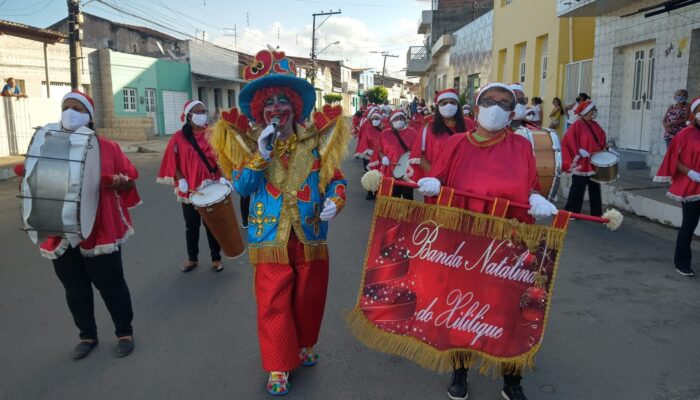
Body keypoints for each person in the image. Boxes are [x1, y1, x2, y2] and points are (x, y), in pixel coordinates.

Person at [213, 48, 349, 395]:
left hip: (310, 234)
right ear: (260, 109)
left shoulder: (315, 143)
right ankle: (277, 365)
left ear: (294, 105)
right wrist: (261, 154)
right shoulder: (250, 146)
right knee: (273, 302)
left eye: (282, 100)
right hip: (269, 239)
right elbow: (242, 187)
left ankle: (303, 345)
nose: (276, 108)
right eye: (269, 102)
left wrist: (335, 200)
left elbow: (336, 180)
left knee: (308, 298)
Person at [416, 83, 558, 400]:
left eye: (505, 103)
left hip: (509, 242)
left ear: (512, 113)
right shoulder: (454, 144)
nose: (496, 107)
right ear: (477, 107)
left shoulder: (522, 147)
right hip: (465, 241)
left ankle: (511, 379)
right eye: (490, 101)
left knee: (508, 309)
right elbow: (437, 177)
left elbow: (530, 184)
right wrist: (432, 182)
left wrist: (536, 198)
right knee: (462, 304)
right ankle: (460, 371)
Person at [15, 90, 139, 359]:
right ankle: (87, 335)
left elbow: (130, 178)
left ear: (90, 117)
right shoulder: (46, 144)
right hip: (60, 229)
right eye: (66, 107)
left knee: (111, 283)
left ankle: (124, 331)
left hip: (100, 227)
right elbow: (34, 182)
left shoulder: (107, 147)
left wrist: (118, 181)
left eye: (78, 108)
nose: (70, 113)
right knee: (74, 286)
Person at [157, 100, 224, 272]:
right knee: (191, 225)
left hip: (211, 186)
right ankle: (192, 258)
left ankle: (216, 258)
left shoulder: (213, 133)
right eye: (198, 112)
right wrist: (181, 180)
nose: (202, 114)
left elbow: (224, 156)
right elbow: (174, 160)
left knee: (212, 225)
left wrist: (224, 177)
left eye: (204, 111)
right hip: (190, 189)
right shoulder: (179, 137)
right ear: (189, 116)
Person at [654, 96, 700, 277]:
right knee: (689, 225)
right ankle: (682, 262)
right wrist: (690, 173)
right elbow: (673, 158)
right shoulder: (685, 133)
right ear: (694, 114)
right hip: (691, 187)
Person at [409, 89, 476, 186]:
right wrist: (437, 177)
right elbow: (419, 157)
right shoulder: (428, 128)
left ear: (457, 106)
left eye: (452, 103)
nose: (448, 106)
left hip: (465, 181)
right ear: (438, 107)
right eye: (444, 103)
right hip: (437, 183)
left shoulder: (469, 125)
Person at [561, 99, 612, 217]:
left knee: (595, 188)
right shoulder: (577, 125)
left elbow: (601, 139)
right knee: (578, 187)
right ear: (588, 111)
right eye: (594, 110)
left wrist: (605, 147)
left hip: (594, 162)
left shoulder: (595, 125)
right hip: (581, 163)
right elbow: (567, 140)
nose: (596, 111)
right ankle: (572, 212)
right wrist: (578, 150)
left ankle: (596, 214)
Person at [368, 109, 418, 199]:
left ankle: (409, 213)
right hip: (390, 171)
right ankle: (395, 213)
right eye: (396, 119)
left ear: (404, 119)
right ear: (391, 122)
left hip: (407, 171)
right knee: (393, 196)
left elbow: (418, 152)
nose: (399, 121)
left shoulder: (412, 133)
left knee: (408, 197)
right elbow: (379, 150)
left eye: (401, 118)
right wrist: (383, 158)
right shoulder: (384, 134)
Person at [356, 106, 385, 200]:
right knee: (372, 174)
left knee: (382, 174)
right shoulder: (368, 129)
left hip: (382, 156)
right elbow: (363, 141)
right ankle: (370, 192)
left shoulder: (386, 130)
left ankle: (381, 192)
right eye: (373, 119)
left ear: (381, 119)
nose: (375, 120)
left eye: (377, 119)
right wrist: (368, 150)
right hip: (371, 156)